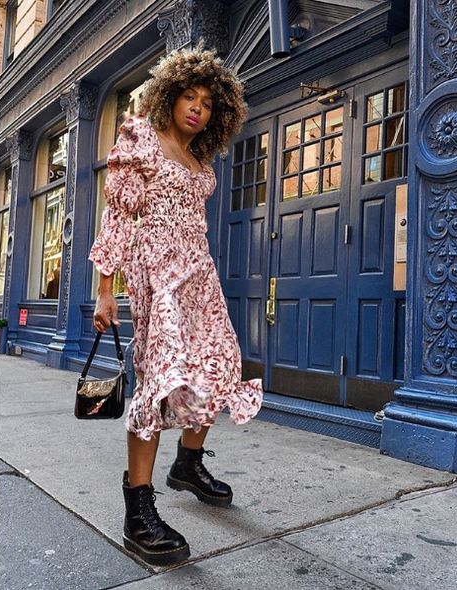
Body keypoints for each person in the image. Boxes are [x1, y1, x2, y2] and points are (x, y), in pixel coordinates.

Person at [89, 46, 263, 567]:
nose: (197, 108)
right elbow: (118, 216)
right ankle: (137, 509)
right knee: (162, 376)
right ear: (170, 94)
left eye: (208, 103)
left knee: (221, 361)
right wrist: (105, 288)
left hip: (199, 270)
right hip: (156, 271)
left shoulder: (200, 158)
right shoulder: (142, 138)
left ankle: (187, 462)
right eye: (190, 96)